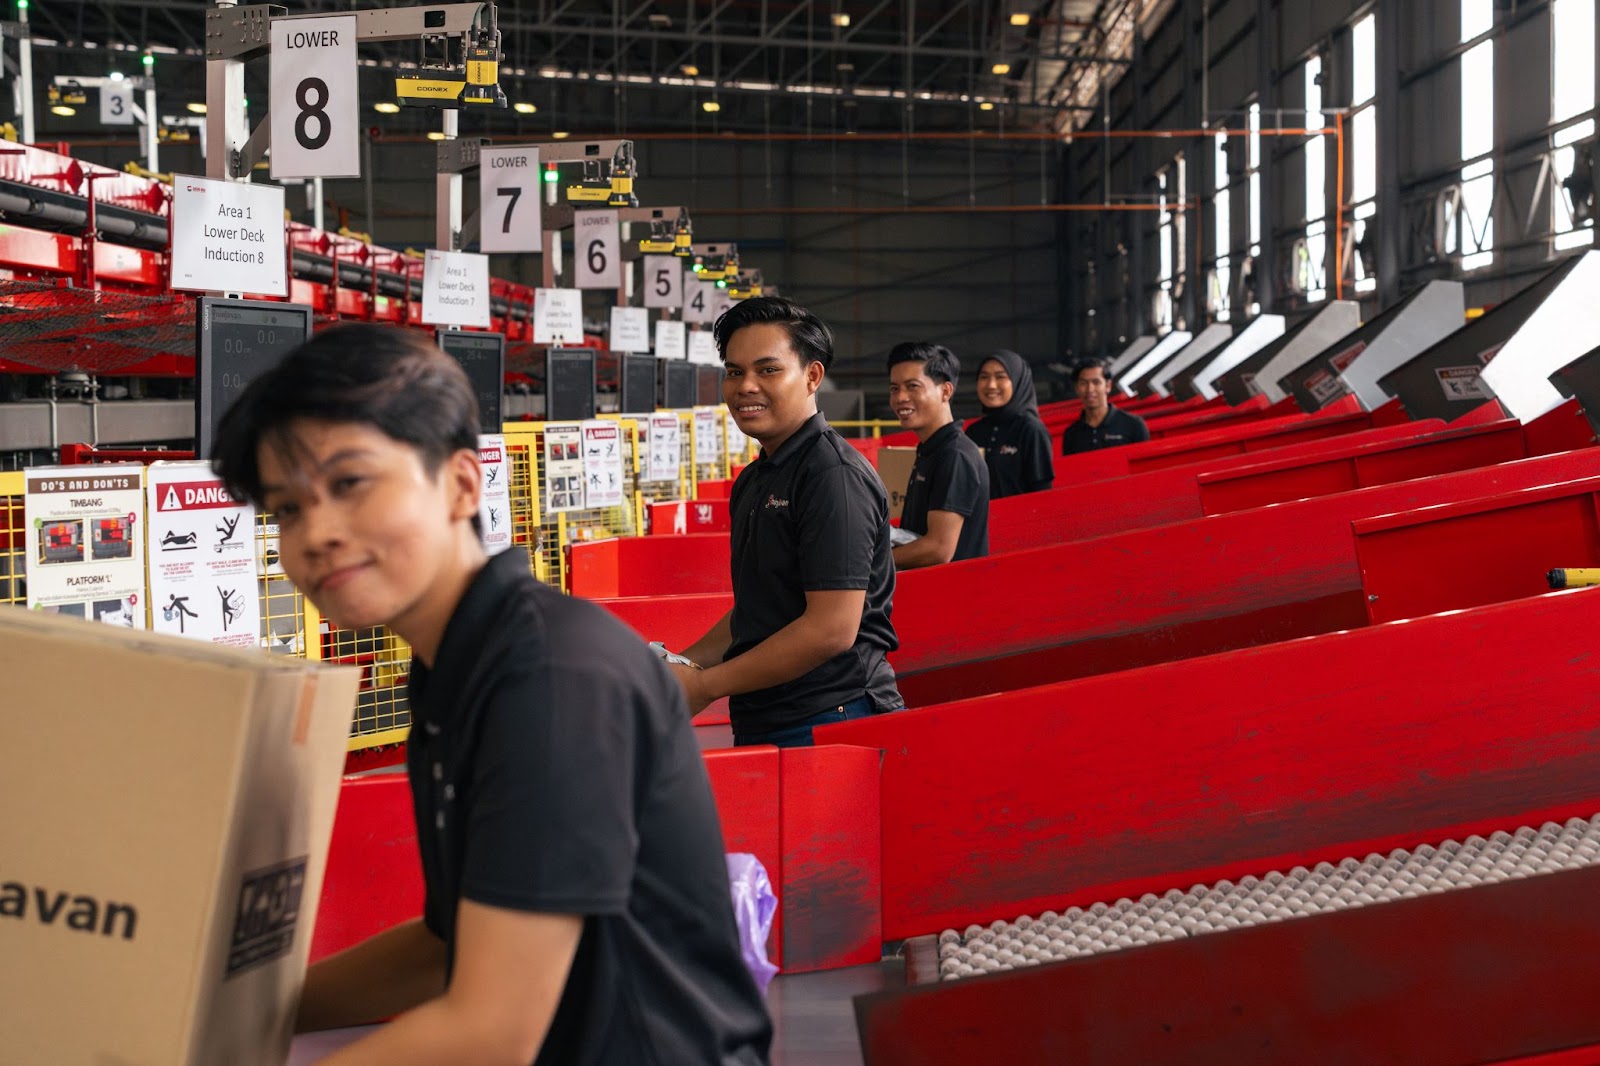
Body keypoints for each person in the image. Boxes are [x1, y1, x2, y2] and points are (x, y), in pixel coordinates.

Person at [210, 325, 771, 1066]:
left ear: (462, 484)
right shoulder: (457, 668)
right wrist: (225, 1015)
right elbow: (448, 947)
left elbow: (493, 1027)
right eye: (286, 510)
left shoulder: (550, 679)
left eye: (349, 484)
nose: (315, 533)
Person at [668, 297, 904, 748]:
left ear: (812, 376)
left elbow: (830, 630)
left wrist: (705, 686)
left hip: (832, 717)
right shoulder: (757, 478)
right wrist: (681, 666)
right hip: (769, 713)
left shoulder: (832, 476)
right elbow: (761, 608)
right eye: (734, 372)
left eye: (767, 370)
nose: (745, 386)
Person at [887, 342, 990, 569]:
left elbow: (938, 549)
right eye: (894, 388)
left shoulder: (955, 455)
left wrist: (868, 563)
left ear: (945, 391)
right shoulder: (931, 449)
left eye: (912, 386)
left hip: (954, 596)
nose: (900, 397)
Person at [964, 349, 1054, 498]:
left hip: (1019, 520)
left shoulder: (1031, 430)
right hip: (980, 520)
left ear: (1018, 381)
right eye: (984, 377)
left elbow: (1042, 494)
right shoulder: (974, 432)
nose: (991, 385)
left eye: (1000, 377)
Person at [1062, 357, 1151, 455]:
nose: (1090, 389)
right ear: (1077, 388)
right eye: (1083, 383)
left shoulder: (1134, 425)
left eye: (1096, 382)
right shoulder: (1071, 434)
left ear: (1108, 386)